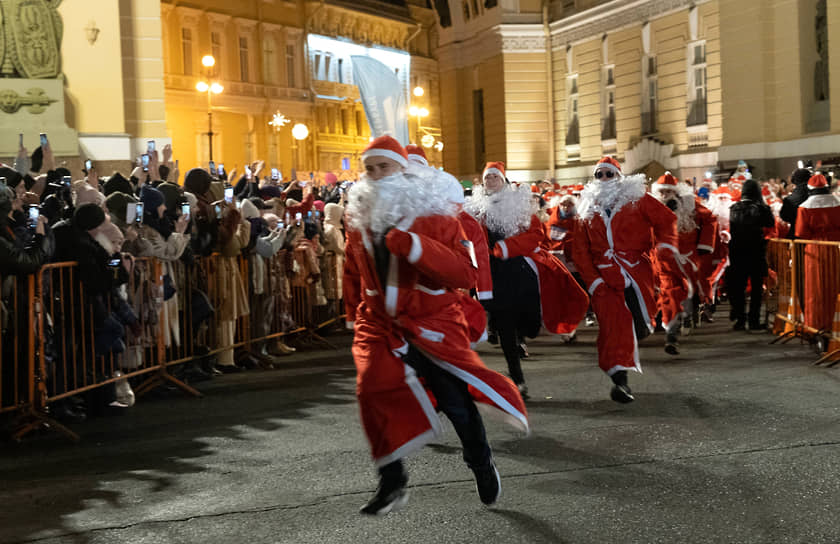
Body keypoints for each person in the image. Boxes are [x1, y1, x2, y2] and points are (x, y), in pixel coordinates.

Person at [344, 136, 528, 516]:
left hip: (431, 321)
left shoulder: (437, 217)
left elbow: (465, 271)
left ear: (404, 171)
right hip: (379, 322)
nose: (377, 176)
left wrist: (413, 246)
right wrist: (352, 312)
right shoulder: (360, 221)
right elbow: (351, 272)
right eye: (370, 169)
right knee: (371, 390)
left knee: (455, 403)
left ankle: (480, 461)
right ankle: (392, 481)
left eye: (385, 167)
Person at [466, 162, 587, 395]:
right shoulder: (475, 210)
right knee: (504, 324)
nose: (490, 181)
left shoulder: (519, 207)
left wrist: (505, 246)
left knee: (530, 324)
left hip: (519, 268)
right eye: (487, 178)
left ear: (504, 181)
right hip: (491, 274)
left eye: (495, 177)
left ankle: (527, 332)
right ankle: (517, 377)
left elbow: (536, 235)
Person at [572, 157, 681, 403]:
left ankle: (635, 337)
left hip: (636, 272)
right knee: (614, 327)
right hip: (604, 277)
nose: (603, 179)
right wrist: (594, 282)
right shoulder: (586, 207)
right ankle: (620, 382)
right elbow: (580, 250)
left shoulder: (638, 200)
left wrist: (663, 247)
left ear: (619, 177)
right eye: (599, 175)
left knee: (639, 326)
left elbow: (667, 221)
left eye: (608, 174)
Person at [650, 173, 717, 353]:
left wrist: (705, 244)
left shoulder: (688, 204)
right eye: (661, 192)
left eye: (667, 191)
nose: (664, 195)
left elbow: (710, 219)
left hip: (687, 255)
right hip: (664, 258)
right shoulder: (652, 206)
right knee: (671, 291)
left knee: (689, 288)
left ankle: (687, 316)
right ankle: (672, 329)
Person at [794, 174, 840, 334]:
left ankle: (816, 324)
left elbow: (801, 232)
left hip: (815, 249)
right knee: (835, 286)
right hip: (836, 247)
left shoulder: (805, 207)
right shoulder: (837, 203)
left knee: (816, 288)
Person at [727, 179, 775, 332]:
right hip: (756, 251)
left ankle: (740, 320)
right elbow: (770, 223)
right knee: (756, 288)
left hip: (737, 251)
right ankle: (754, 320)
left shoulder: (734, 208)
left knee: (739, 286)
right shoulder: (761, 208)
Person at [780, 168, 813, 239]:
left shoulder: (789, 199)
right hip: (816, 236)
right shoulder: (815, 195)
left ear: (793, 180)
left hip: (797, 235)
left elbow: (785, 217)